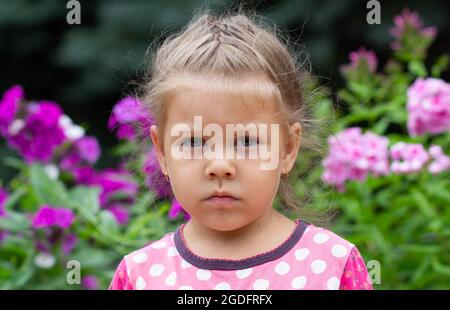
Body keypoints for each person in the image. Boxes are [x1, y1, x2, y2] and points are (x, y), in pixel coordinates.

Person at [109, 10, 373, 290]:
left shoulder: (332, 265)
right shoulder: (141, 275)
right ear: (162, 152)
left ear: (287, 149)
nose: (220, 165)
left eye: (246, 142)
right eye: (194, 142)